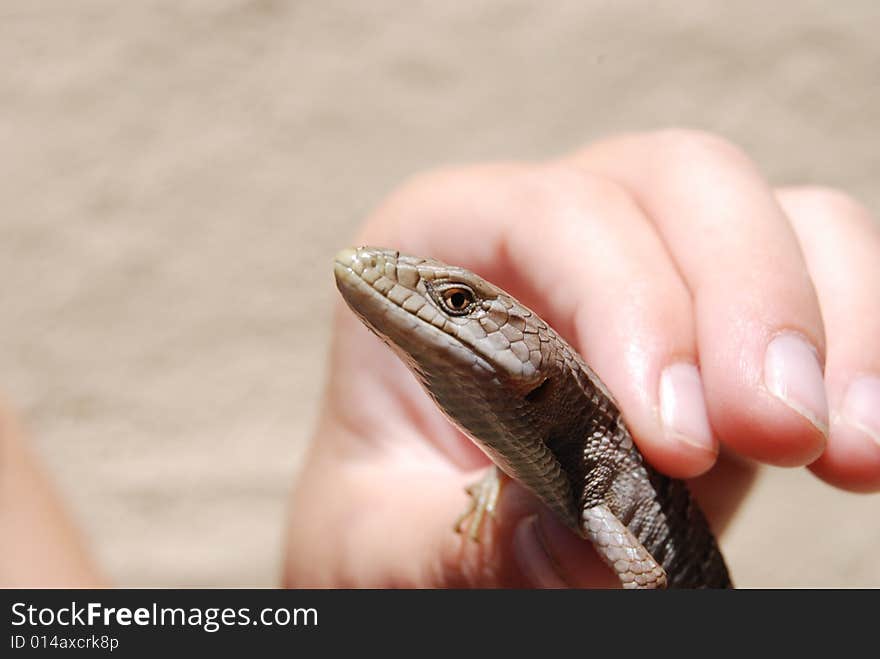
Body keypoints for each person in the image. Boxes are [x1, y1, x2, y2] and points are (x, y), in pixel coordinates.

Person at [3, 130, 878, 587]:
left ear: (539, 367)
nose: (398, 287)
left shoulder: (597, 486)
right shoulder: (534, 457)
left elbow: (647, 578)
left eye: (456, 302)